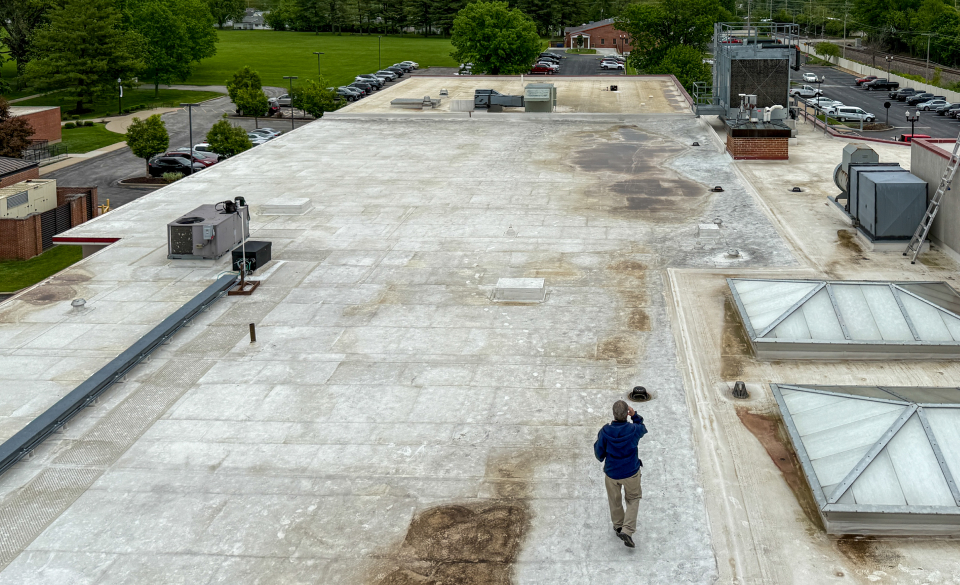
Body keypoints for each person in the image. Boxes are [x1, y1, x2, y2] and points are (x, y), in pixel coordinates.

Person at [594, 400, 648, 548]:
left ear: (613, 414)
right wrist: (635, 416)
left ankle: (618, 526)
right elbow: (643, 429)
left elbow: (599, 454)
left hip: (612, 473)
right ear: (626, 414)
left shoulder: (605, 431)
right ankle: (627, 530)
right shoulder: (634, 429)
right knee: (633, 498)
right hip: (631, 472)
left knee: (614, 500)